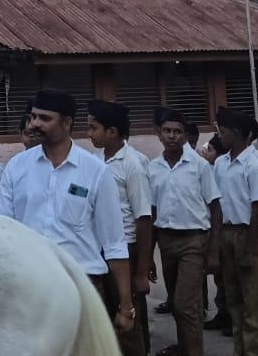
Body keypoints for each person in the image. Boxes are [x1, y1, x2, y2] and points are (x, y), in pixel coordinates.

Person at [0, 90, 135, 339]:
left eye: (45, 118)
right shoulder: (17, 167)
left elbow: (114, 243)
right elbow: (3, 232)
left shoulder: (96, 172)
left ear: (67, 122)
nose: (35, 124)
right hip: (30, 284)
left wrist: (125, 306)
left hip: (82, 285)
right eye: (33, 117)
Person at [147, 107, 222, 356]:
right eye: (167, 131)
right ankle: (184, 347)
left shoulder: (199, 166)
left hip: (193, 241)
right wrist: (149, 256)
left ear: (185, 135)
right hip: (166, 242)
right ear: (159, 134)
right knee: (176, 304)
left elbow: (215, 208)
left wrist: (213, 252)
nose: (172, 136)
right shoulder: (154, 168)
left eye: (177, 132)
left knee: (186, 305)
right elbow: (152, 212)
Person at [88, 100, 152, 356]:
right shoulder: (95, 161)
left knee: (129, 312)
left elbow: (144, 218)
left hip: (126, 247)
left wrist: (141, 270)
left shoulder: (133, 165)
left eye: (94, 128)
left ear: (112, 132)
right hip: (101, 246)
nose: (89, 134)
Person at [212, 109, 258, 356]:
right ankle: (240, 350)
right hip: (226, 233)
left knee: (252, 303)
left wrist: (248, 249)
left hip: (248, 234)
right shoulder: (221, 164)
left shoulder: (254, 165)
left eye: (222, 132)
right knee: (233, 300)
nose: (219, 137)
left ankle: (255, 350)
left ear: (235, 134)